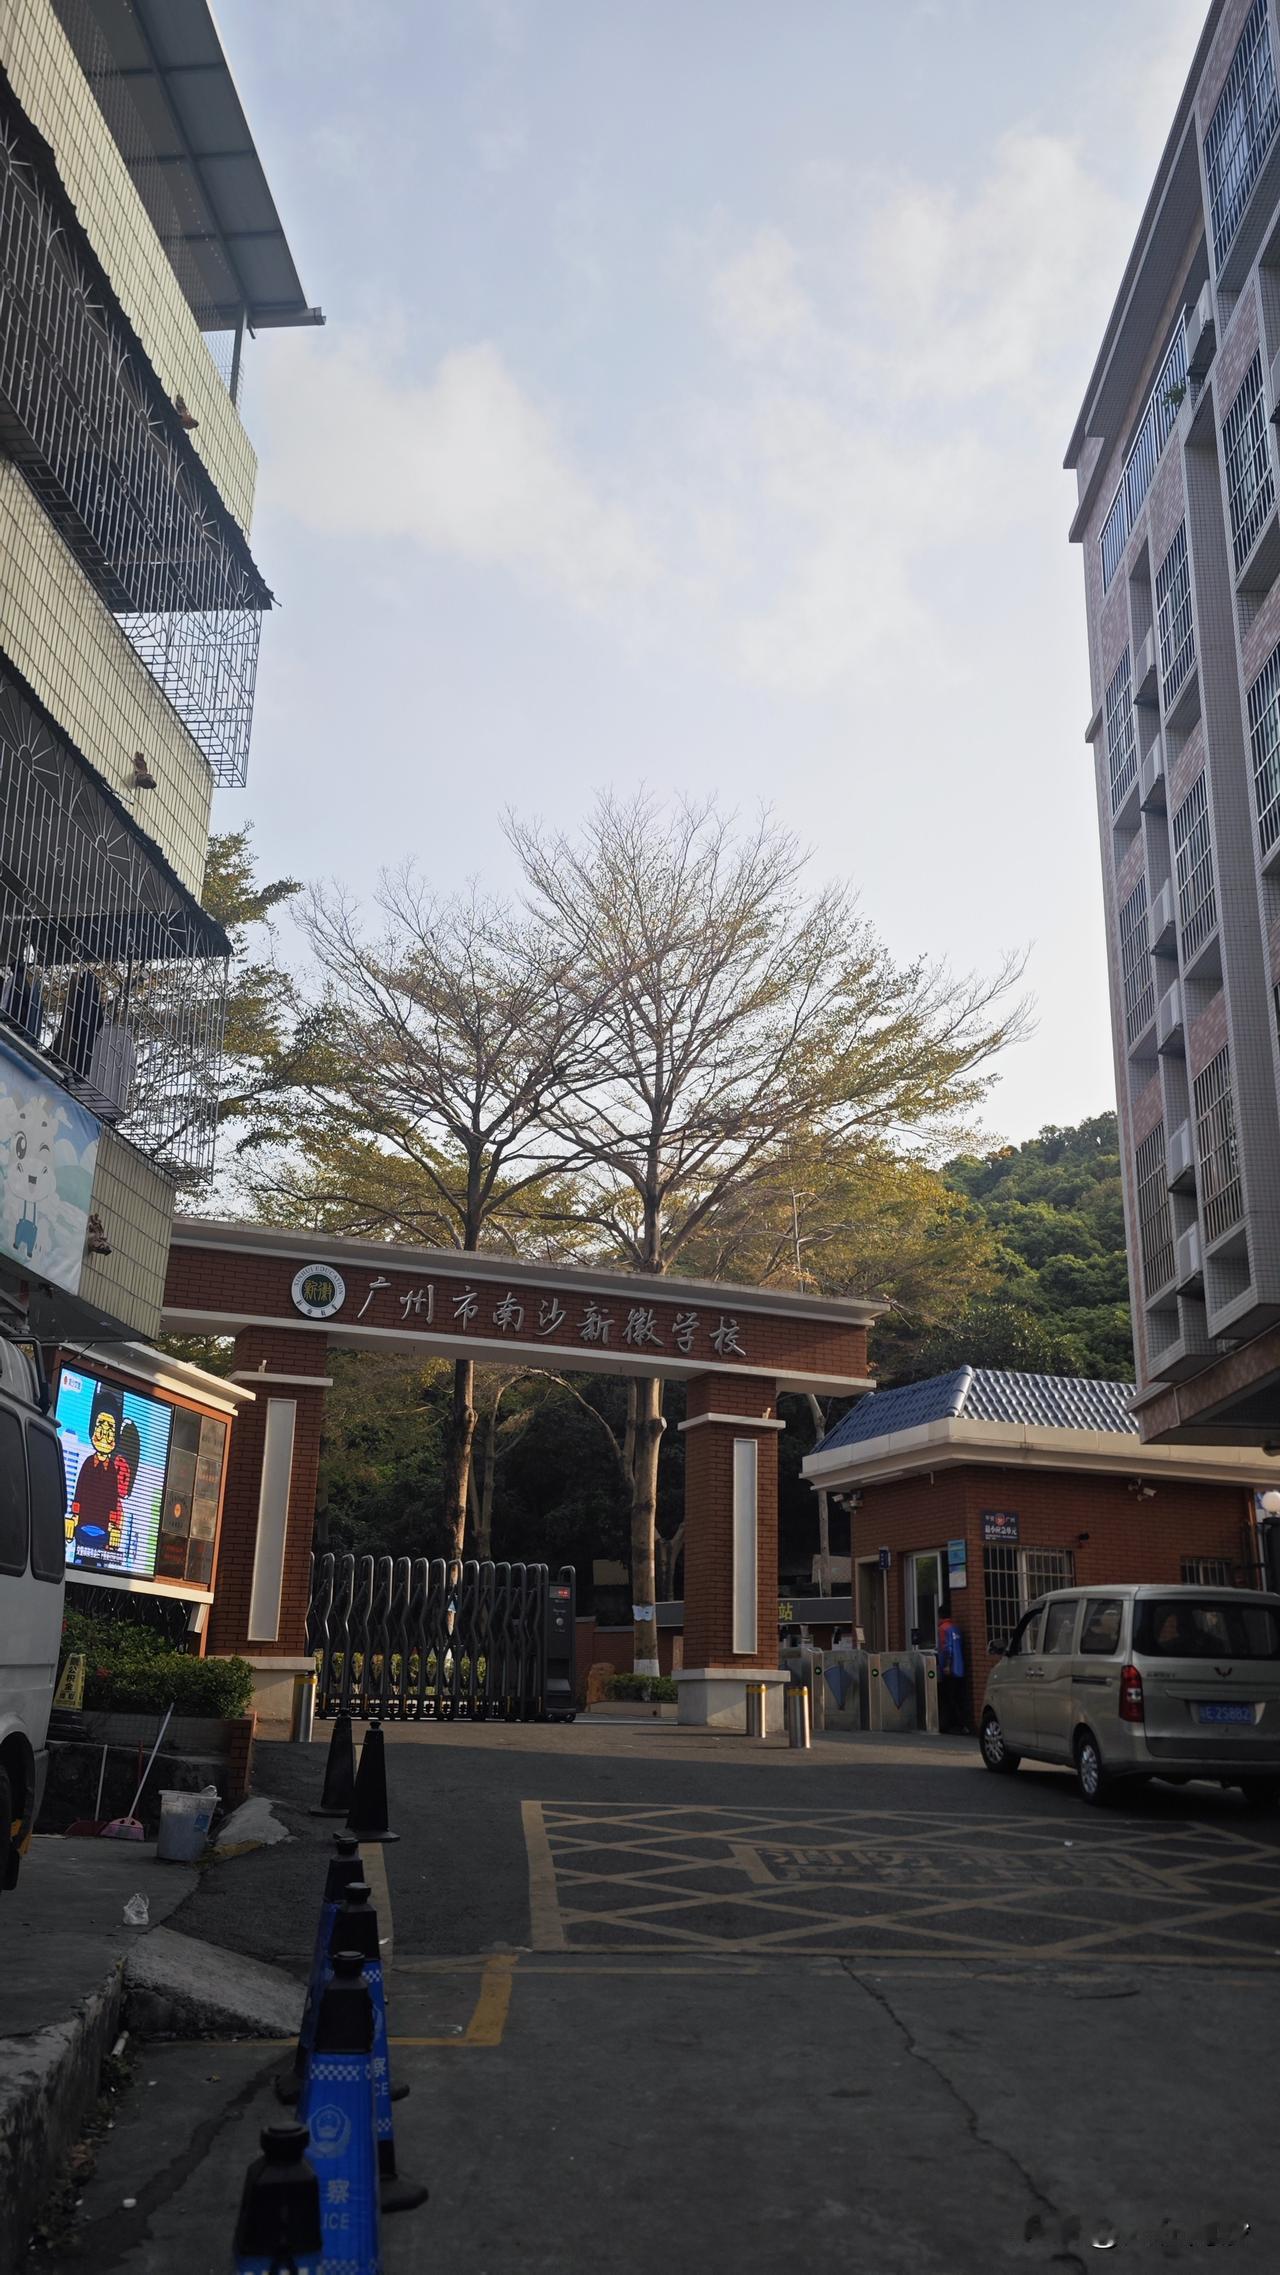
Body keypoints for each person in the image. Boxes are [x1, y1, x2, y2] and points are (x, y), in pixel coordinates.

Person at [936, 1613, 968, 1733]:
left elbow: (946, 1648)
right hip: (960, 1669)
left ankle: (952, 1725)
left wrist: (947, 1665)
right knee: (958, 1698)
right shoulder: (956, 1629)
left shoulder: (943, 1628)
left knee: (948, 1698)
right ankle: (962, 1724)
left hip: (949, 1670)